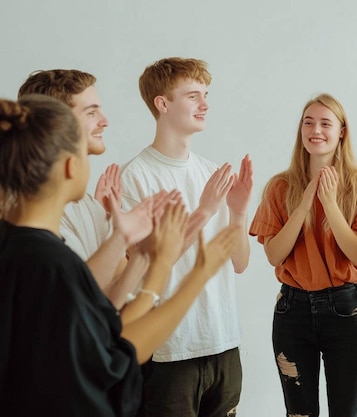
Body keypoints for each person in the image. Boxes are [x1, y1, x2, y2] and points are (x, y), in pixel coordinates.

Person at [0, 94, 239, 416]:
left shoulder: (23, 248)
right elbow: (116, 354)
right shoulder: (47, 263)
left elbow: (105, 330)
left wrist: (142, 254)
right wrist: (195, 273)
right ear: (71, 166)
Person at [120, 57, 252, 417]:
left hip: (224, 344)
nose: (205, 104)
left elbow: (239, 263)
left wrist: (238, 212)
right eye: (193, 96)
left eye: (206, 95)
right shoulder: (136, 178)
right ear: (162, 104)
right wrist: (205, 211)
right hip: (170, 351)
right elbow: (143, 270)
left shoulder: (211, 171)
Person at [249, 93, 357, 417]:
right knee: (299, 413)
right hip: (291, 311)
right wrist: (305, 203)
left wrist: (331, 204)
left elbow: (356, 255)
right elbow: (273, 254)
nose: (316, 130)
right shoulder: (279, 187)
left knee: (348, 412)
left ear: (342, 132)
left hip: (345, 311)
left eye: (326, 123)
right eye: (308, 122)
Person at [17, 69, 157, 309]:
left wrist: (132, 242)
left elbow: (119, 291)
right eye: (91, 112)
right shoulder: (34, 213)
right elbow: (78, 300)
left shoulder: (92, 205)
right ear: (56, 123)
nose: (105, 121)